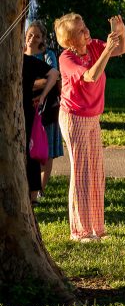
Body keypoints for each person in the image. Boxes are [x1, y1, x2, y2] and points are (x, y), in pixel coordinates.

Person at [55, 12, 125, 241]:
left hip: (92, 117)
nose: (86, 31)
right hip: (74, 116)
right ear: (69, 40)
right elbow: (90, 76)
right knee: (81, 173)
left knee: (96, 172)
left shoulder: (94, 46)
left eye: (84, 26)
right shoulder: (67, 58)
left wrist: (121, 33)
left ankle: (97, 228)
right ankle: (79, 231)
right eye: (80, 31)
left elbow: (122, 49)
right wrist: (107, 50)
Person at [25, 20, 63, 198]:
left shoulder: (47, 55)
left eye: (37, 36)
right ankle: (30, 186)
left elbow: (54, 76)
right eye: (30, 34)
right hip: (25, 108)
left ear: (42, 38)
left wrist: (34, 87)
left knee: (46, 149)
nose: (33, 38)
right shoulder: (19, 55)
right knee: (28, 148)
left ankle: (40, 188)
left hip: (46, 108)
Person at [22, 52, 58, 205]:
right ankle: (32, 195)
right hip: (23, 110)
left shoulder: (27, 60)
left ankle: (33, 195)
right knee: (29, 153)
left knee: (31, 153)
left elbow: (54, 73)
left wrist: (43, 95)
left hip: (25, 111)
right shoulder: (27, 60)